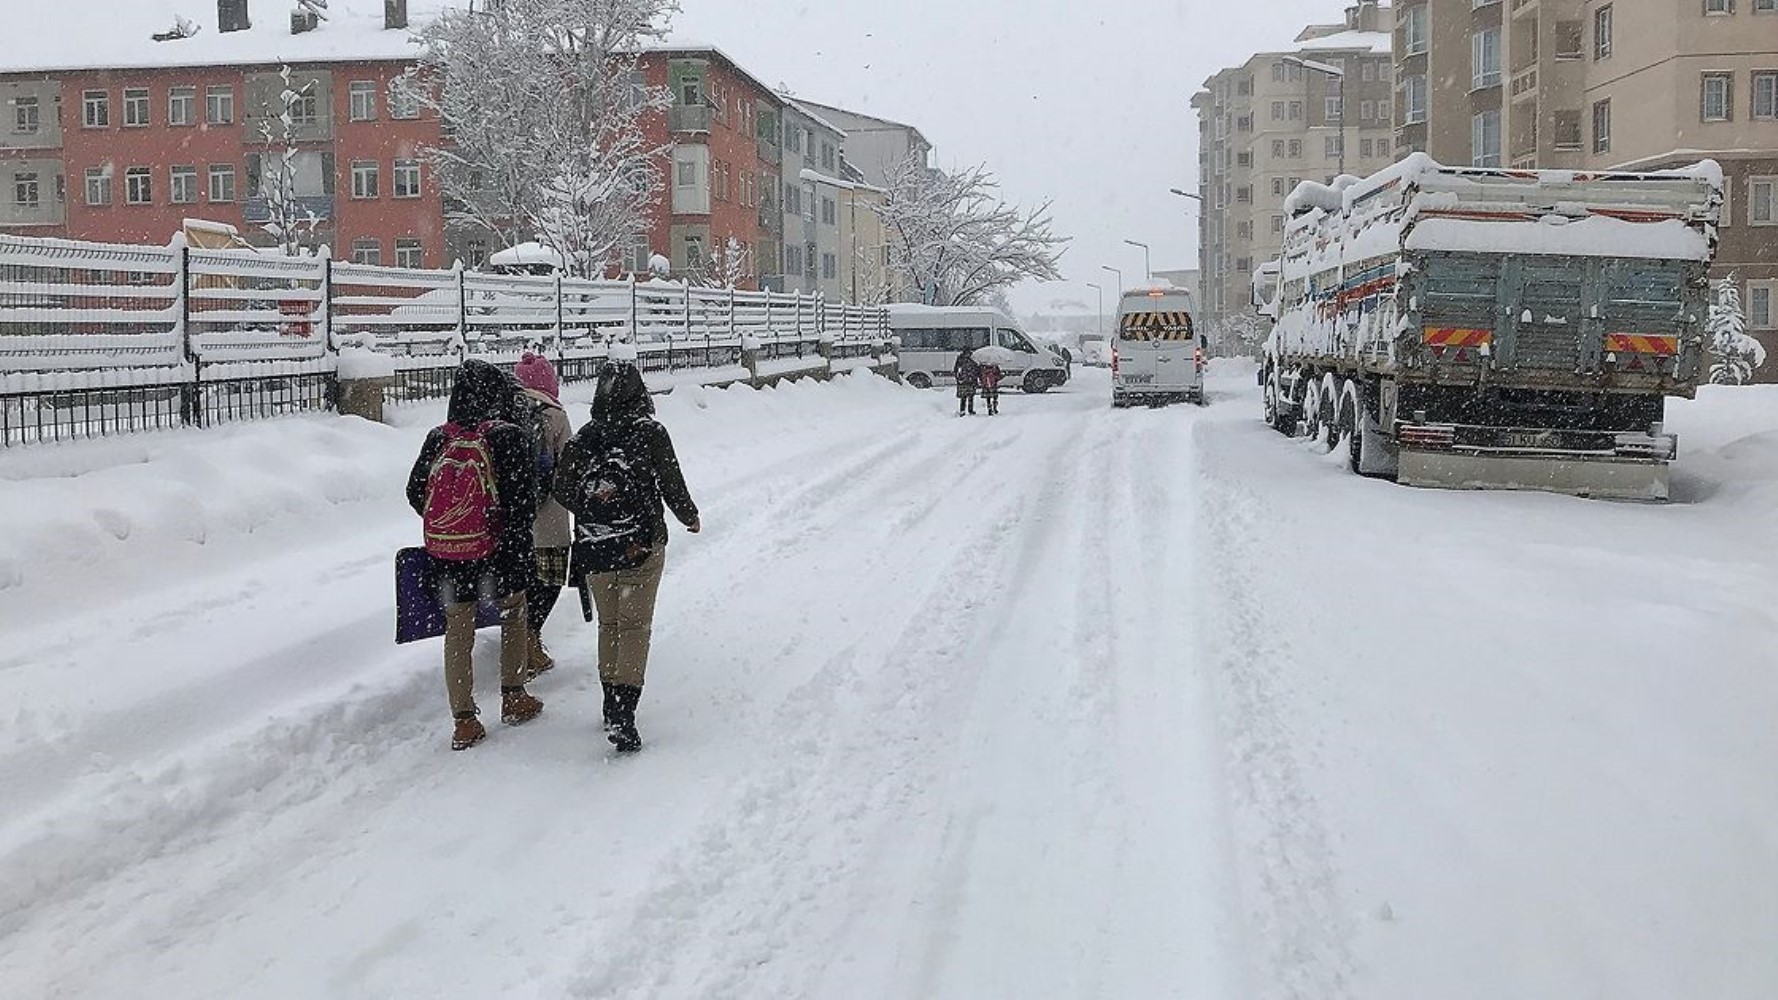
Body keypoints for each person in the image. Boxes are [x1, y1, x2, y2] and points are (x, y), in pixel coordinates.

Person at [554, 360, 701, 754]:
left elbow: (561, 487)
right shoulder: (650, 433)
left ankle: (609, 701)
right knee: (635, 628)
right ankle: (624, 711)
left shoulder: (586, 437)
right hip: (641, 543)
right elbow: (672, 482)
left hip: (595, 546)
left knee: (610, 625)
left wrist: (592, 508)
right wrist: (689, 516)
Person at [406, 359, 544, 751]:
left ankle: (464, 721)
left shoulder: (439, 438)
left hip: (449, 555)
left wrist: (453, 522)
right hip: (499, 553)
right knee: (514, 614)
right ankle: (514, 696)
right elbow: (523, 502)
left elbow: (415, 491)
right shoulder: (507, 436)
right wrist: (501, 534)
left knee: (458, 630)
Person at [513, 351, 574, 680]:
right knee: (548, 580)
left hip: (512, 517)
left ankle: (519, 638)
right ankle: (531, 636)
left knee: (519, 580)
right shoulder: (555, 414)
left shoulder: (503, 410)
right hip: (549, 516)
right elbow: (569, 466)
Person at [953, 349, 979, 417]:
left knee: (964, 397)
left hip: (963, 380)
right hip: (970, 380)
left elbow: (956, 369)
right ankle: (970, 410)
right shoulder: (973, 358)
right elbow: (977, 368)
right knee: (970, 396)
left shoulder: (960, 358)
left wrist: (958, 378)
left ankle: (963, 410)